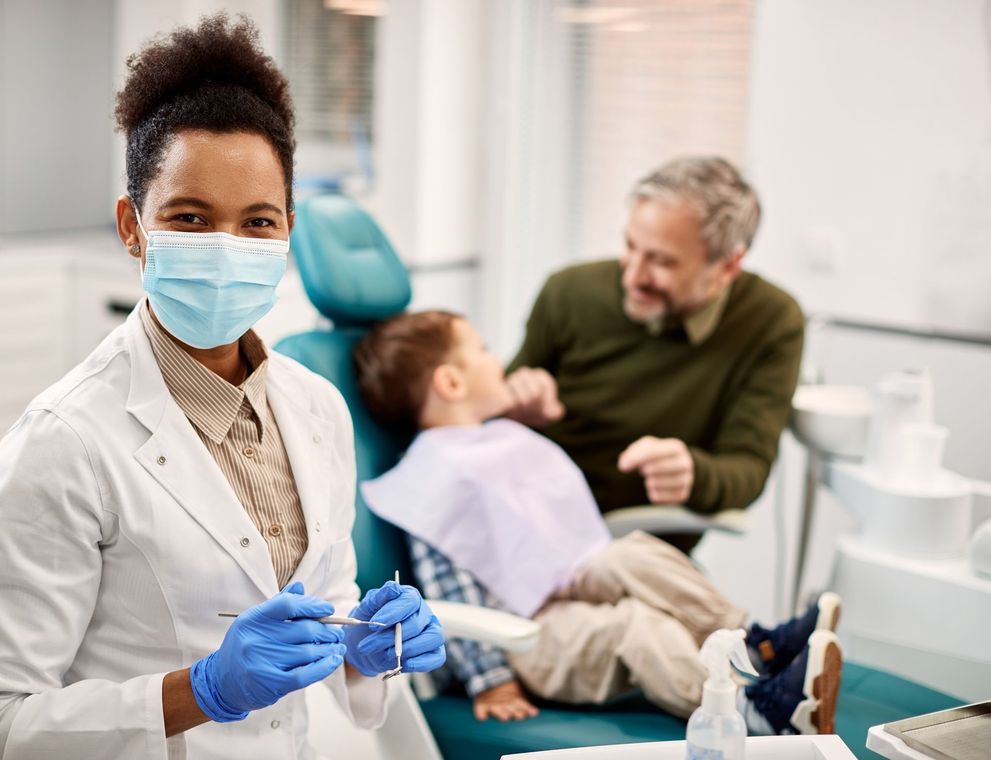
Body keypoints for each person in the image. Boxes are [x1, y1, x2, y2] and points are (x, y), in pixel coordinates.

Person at [0, 15, 444, 760]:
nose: (224, 249)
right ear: (132, 227)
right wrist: (200, 691)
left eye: (258, 222)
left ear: (288, 233)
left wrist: (365, 649)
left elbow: (325, 606)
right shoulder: (63, 442)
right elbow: (10, 720)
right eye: (190, 218)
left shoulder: (316, 407)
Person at [353, 310, 842, 736]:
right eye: (482, 350)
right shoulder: (432, 477)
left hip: (562, 584)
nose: (497, 359)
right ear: (451, 383)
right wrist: (491, 680)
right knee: (634, 625)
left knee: (630, 556)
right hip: (519, 633)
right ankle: (747, 708)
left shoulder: (494, 438)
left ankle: (755, 644)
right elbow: (449, 592)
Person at [506, 157, 804, 552]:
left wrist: (694, 476)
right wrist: (514, 403)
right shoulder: (568, 292)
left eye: (662, 261)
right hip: (531, 531)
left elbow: (747, 468)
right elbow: (480, 422)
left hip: (645, 551)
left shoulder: (771, 322)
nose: (633, 276)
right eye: (630, 246)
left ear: (728, 265)